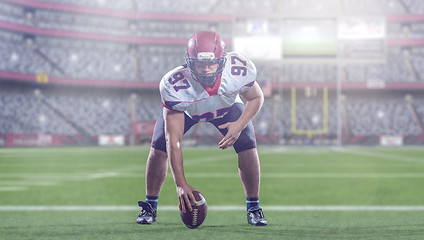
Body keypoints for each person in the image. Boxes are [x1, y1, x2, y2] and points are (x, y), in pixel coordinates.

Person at [136, 31, 267, 226]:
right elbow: (175, 141)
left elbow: (257, 97)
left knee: (247, 142)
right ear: (189, 62)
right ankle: (150, 206)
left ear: (222, 60)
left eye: (212, 63)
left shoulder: (238, 69)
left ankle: (254, 207)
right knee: (159, 147)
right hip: (187, 111)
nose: (207, 69)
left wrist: (239, 126)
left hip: (227, 107)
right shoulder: (174, 85)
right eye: (200, 63)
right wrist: (180, 184)